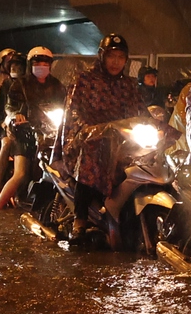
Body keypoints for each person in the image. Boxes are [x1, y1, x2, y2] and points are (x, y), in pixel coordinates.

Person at [58, 33, 147, 240]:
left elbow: (141, 112)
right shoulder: (85, 80)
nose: (115, 62)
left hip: (123, 138)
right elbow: (73, 112)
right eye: (111, 56)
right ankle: (80, 219)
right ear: (101, 56)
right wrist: (88, 130)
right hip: (90, 139)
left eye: (120, 57)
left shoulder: (129, 85)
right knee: (91, 157)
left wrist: (156, 123)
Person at [0, 46, 65, 209]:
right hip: (24, 133)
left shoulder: (57, 85)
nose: (41, 65)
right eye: (37, 62)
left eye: (45, 62)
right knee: (21, 174)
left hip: (49, 133)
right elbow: (10, 106)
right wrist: (17, 115)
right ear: (30, 64)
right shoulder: (20, 84)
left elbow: (66, 105)